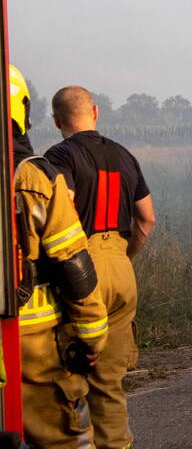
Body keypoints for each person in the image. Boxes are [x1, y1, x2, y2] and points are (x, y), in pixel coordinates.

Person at [46, 85, 158, 449]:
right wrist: (121, 258)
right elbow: (147, 220)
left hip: (82, 270)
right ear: (95, 112)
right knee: (109, 382)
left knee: (71, 377)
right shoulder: (125, 156)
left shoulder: (60, 156)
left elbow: (61, 210)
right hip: (121, 269)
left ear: (57, 119)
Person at [10, 67, 109, 448]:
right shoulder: (33, 177)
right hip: (30, 346)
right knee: (64, 440)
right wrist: (91, 338)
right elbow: (73, 265)